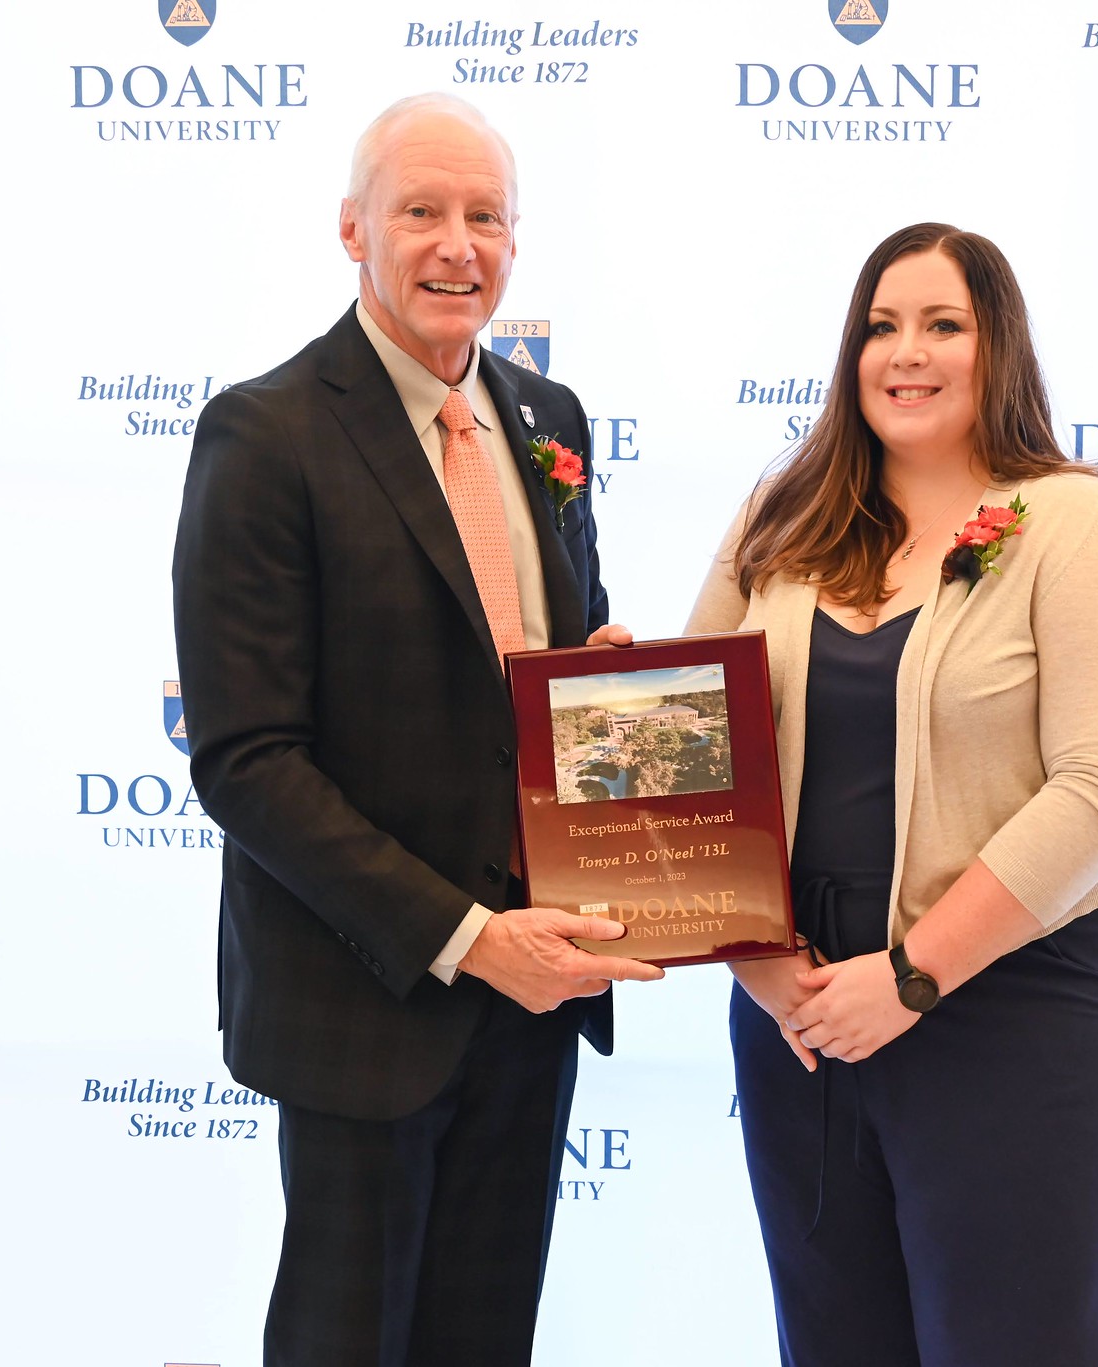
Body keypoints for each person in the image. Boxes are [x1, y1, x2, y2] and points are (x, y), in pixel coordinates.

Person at [172, 93, 662, 1367]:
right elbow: (246, 758)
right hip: (369, 996)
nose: (460, 244)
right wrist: (464, 937)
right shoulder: (265, 431)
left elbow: (548, 659)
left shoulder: (548, 419)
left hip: (538, 986)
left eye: (486, 216)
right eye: (423, 213)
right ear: (352, 230)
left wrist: (601, 686)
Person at [685, 223, 1098, 1366]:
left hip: (1019, 1009)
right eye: (880, 325)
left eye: (942, 324)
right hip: (803, 1016)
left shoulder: (1070, 517)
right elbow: (687, 738)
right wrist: (762, 964)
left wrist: (912, 974)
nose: (905, 351)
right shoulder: (783, 515)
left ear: (994, 346)